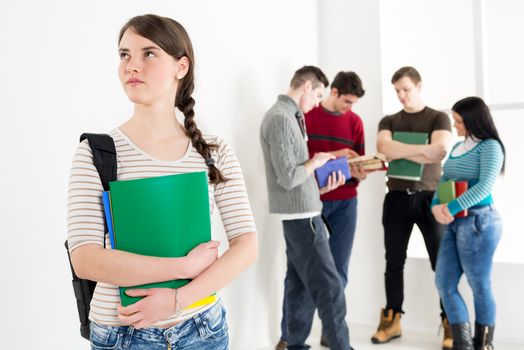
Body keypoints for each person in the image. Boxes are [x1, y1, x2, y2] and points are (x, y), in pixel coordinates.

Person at [67, 14, 258, 350]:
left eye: (148, 54)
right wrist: (183, 266)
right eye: (125, 55)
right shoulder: (96, 152)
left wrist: (176, 299)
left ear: (180, 67)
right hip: (123, 334)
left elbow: (247, 246)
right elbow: (85, 259)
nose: (131, 66)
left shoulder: (213, 151)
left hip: (204, 328)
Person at [260, 66, 353, 350]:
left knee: (301, 288)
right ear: (307, 86)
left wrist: (319, 185)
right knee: (331, 290)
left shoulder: (289, 116)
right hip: (303, 219)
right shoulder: (280, 118)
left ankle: (294, 344)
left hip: (303, 215)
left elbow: (296, 176)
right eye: (318, 95)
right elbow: (288, 177)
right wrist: (317, 162)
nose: (316, 102)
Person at [373, 66, 453, 348]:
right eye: (397, 91)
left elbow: (440, 149)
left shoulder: (438, 117)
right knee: (393, 263)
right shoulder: (388, 119)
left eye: (406, 89)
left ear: (419, 86)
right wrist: (422, 151)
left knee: (442, 264)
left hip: (431, 198)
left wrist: (398, 149)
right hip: (395, 197)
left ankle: (450, 323)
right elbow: (383, 149)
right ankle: (392, 320)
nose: (401, 95)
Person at [432, 97, 505, 350]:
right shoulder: (457, 147)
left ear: (474, 120)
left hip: (479, 222)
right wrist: (435, 206)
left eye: (459, 121)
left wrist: (449, 208)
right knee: (444, 282)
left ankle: (484, 344)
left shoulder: (491, 147)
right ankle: (463, 345)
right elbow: (444, 179)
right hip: (456, 222)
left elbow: (484, 186)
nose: (455, 126)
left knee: (479, 284)